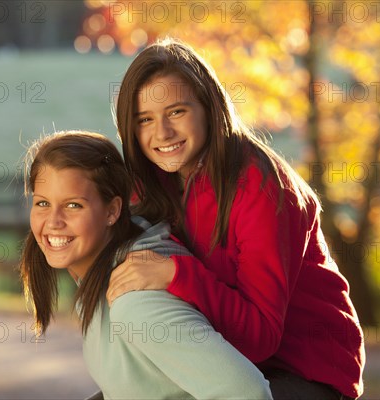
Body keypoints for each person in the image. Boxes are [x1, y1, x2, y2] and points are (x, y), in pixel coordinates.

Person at [109, 39, 365, 399]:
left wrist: (175, 273)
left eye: (177, 112)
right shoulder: (154, 182)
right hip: (224, 360)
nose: (162, 133)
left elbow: (261, 336)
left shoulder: (260, 187)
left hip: (303, 373)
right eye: (145, 120)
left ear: (208, 107)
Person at [19, 130, 273, 399]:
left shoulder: (138, 304)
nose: (53, 221)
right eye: (43, 203)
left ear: (112, 211)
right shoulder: (102, 276)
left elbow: (248, 393)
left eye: (73, 205)